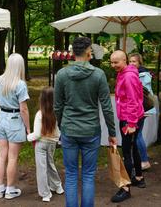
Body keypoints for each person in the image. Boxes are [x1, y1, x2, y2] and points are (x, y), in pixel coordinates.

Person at [54, 37, 117, 207]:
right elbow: (107, 108)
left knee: (71, 175)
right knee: (88, 175)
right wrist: (112, 133)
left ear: (73, 52)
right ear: (89, 52)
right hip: (90, 131)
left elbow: (57, 106)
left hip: (70, 130)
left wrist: (62, 125)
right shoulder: (98, 74)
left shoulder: (62, 74)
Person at [0, 53, 30, 200]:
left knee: (1, 156)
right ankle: (10, 189)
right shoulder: (20, 84)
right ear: (20, 66)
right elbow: (24, 109)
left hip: (1, 118)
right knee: (12, 158)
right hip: (14, 120)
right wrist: (28, 128)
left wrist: (4, 100)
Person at [110, 50, 146, 203]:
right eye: (111, 62)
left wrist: (131, 123)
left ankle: (125, 189)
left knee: (126, 151)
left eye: (116, 62)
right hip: (132, 117)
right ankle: (138, 177)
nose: (113, 65)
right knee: (133, 147)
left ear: (124, 60)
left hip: (129, 119)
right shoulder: (125, 73)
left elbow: (132, 100)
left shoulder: (129, 76)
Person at [27, 86, 64, 202]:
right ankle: (58, 186)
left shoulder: (39, 114)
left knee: (41, 168)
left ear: (41, 99)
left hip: (41, 144)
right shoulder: (57, 113)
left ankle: (45, 194)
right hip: (52, 143)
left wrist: (28, 137)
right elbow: (59, 131)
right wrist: (56, 139)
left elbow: (37, 134)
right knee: (50, 164)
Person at [129, 53, 156, 170]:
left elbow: (140, 92)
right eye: (130, 61)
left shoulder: (142, 75)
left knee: (137, 135)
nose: (131, 64)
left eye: (134, 61)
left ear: (139, 62)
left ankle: (144, 161)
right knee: (136, 134)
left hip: (141, 108)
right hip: (139, 108)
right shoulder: (138, 74)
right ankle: (139, 157)